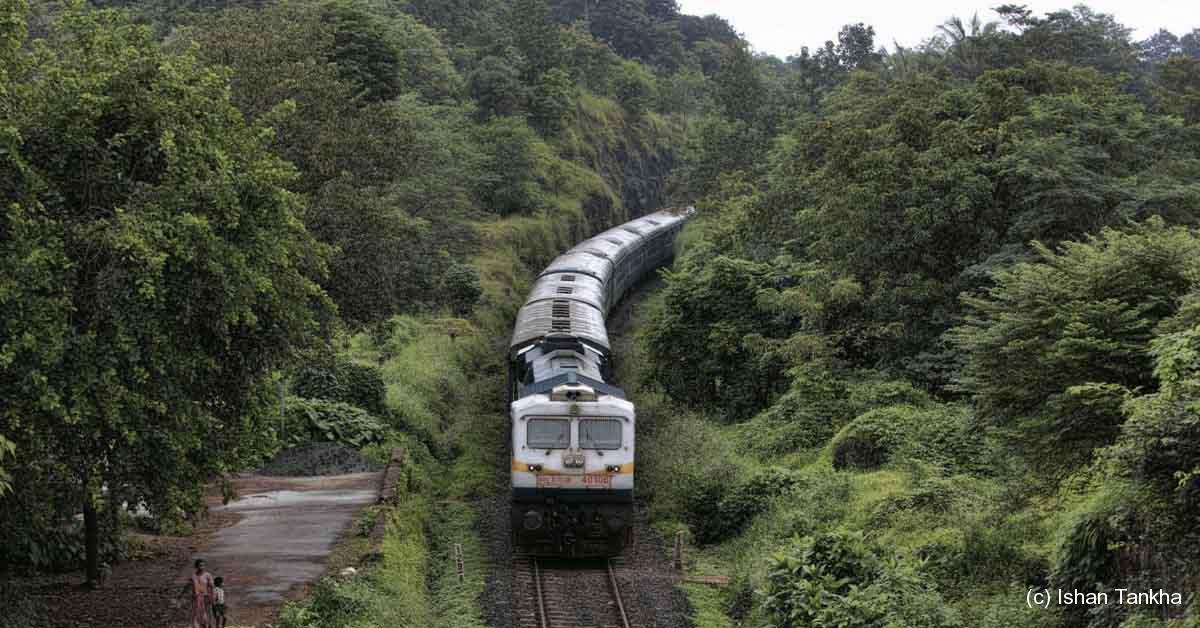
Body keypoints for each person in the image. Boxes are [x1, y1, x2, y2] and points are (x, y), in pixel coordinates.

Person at [179, 558, 215, 628]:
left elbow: (212, 587)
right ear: (196, 567)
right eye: (200, 566)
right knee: (196, 614)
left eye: (203, 565)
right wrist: (181, 595)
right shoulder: (193, 576)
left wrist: (212, 597)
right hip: (196, 598)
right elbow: (187, 586)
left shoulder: (208, 575)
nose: (202, 567)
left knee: (205, 614)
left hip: (205, 598)